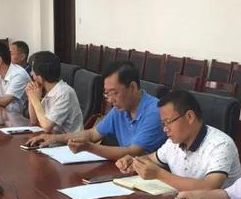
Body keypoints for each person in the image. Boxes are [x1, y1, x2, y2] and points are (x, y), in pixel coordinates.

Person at [27, 61, 166, 161]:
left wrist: (89, 147)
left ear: (133, 87)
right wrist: (54, 138)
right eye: (107, 94)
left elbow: (134, 152)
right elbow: (93, 134)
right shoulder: (120, 108)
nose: (110, 100)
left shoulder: (154, 111)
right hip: (127, 171)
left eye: (114, 93)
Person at [115, 90, 241, 191]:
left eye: (168, 122)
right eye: (163, 123)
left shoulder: (221, 144)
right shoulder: (173, 142)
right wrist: (134, 162)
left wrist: (159, 174)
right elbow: (151, 159)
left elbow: (209, 187)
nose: (165, 129)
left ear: (190, 117)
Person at [25, 51, 83, 135]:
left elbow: (46, 127)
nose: (31, 74)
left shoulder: (64, 92)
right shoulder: (48, 90)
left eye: (33, 71)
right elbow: (34, 121)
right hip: (52, 137)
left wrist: (35, 100)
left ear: (40, 77)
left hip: (68, 141)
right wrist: (31, 98)